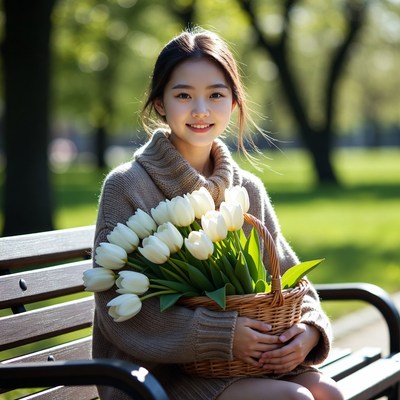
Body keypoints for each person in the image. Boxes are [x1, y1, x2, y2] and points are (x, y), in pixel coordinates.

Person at [92, 27, 344, 400]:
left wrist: (307, 332)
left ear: (234, 102)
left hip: (246, 364)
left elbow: (289, 278)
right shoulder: (127, 187)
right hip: (153, 377)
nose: (200, 110)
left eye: (215, 95)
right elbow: (117, 305)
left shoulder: (247, 190)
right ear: (160, 102)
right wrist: (221, 335)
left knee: (326, 392)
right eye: (183, 95)